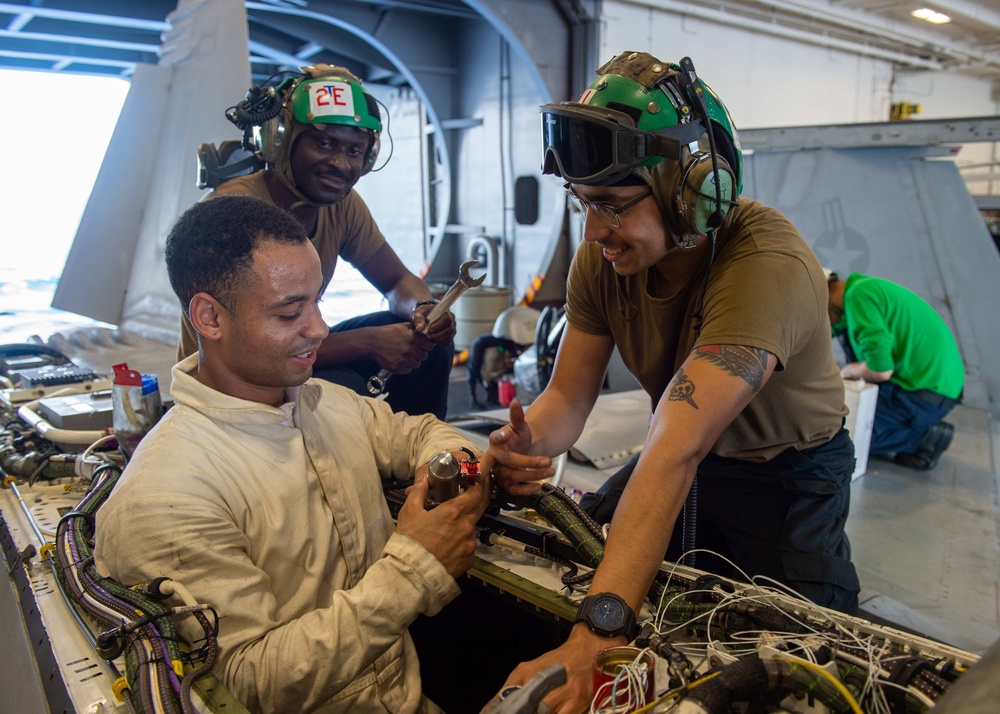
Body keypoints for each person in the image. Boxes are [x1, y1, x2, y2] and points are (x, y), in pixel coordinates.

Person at [488, 50, 859, 712]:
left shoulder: (766, 261)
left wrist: (599, 631)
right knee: (568, 553)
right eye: (582, 204)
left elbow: (676, 446)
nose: (595, 229)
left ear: (694, 190)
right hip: (683, 452)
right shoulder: (605, 259)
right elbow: (569, 399)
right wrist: (526, 443)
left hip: (786, 478)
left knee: (801, 656)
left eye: (612, 205)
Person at [98, 195, 492, 713]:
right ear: (210, 317)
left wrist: (451, 481)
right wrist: (417, 566)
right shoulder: (165, 497)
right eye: (290, 312)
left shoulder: (325, 403)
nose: (320, 329)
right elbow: (241, 686)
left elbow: (426, 435)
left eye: (318, 302)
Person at [178, 64, 455, 419]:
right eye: (323, 143)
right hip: (229, 385)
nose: (340, 164)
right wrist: (368, 342)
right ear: (280, 140)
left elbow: (396, 280)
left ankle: (424, 461)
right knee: (338, 390)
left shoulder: (341, 204)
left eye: (355, 151)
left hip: (285, 355)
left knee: (428, 349)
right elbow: (248, 347)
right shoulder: (232, 213)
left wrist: (423, 310)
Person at [826, 270, 963, 470]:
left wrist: (847, 371)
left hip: (921, 397)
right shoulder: (861, 290)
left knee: (839, 439)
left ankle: (922, 438)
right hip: (932, 387)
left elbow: (881, 369)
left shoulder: (859, 296)